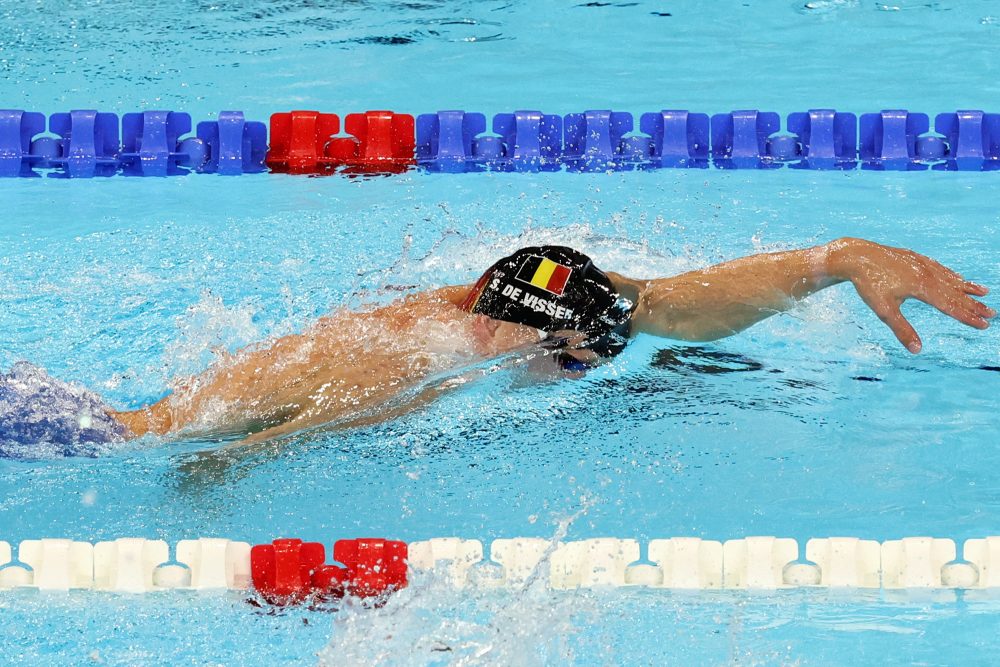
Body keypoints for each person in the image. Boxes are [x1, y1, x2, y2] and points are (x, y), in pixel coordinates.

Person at [0, 236, 993, 454]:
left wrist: (839, 259)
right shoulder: (409, 370)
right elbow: (225, 456)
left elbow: (659, 305)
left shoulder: (445, 313)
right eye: (569, 359)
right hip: (76, 435)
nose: (566, 372)